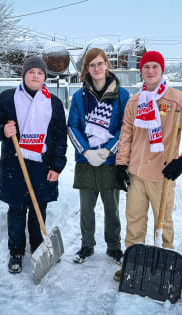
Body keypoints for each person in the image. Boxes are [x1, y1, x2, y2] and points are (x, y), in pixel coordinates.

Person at [114, 51, 182, 280]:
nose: (150, 71)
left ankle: (165, 265)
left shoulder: (177, 100)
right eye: (146, 67)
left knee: (163, 223)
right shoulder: (134, 102)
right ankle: (132, 263)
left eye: (155, 67)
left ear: (161, 70)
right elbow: (126, 136)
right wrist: (120, 165)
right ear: (141, 71)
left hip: (162, 175)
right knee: (134, 222)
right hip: (136, 174)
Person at [0, 56, 67, 274]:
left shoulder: (54, 103)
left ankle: (39, 247)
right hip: (15, 166)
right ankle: (16, 252)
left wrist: (57, 166)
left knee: (39, 208)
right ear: (24, 75)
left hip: (42, 166)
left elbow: (59, 138)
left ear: (44, 77)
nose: (36, 76)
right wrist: (2, 130)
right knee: (17, 211)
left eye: (40, 73)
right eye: (31, 72)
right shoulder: (7, 98)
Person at [67, 48, 130, 265]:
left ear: (107, 65)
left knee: (112, 207)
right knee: (86, 207)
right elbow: (72, 126)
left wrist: (109, 150)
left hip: (111, 161)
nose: (97, 68)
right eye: (92, 65)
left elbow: (126, 127)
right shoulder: (78, 97)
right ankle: (87, 245)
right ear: (87, 68)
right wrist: (86, 151)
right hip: (86, 161)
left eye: (100, 63)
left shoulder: (122, 95)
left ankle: (114, 246)